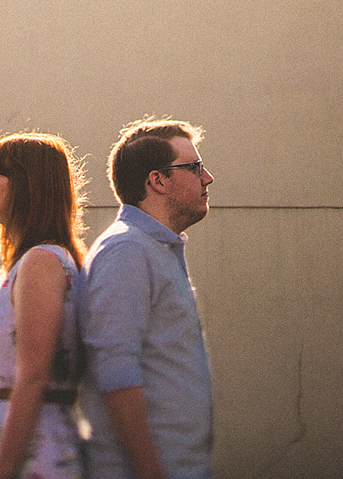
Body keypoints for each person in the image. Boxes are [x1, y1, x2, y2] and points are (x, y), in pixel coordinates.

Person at [80, 120, 216, 479]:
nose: (208, 178)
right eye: (195, 168)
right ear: (157, 181)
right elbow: (116, 371)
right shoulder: (126, 250)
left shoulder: (154, 248)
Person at [0, 132, 89, 479]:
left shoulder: (41, 261)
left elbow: (33, 378)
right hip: (18, 442)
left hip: (29, 453)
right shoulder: (36, 260)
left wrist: (1, 471)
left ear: (25, 185)